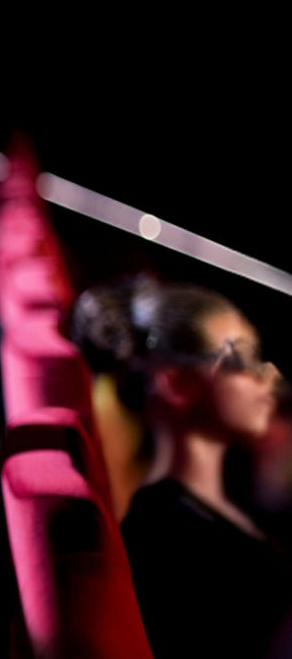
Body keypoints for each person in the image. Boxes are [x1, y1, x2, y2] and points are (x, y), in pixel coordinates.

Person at [70, 276, 292, 659]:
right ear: (175, 382)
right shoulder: (172, 544)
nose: (268, 374)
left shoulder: (209, 508)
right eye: (242, 357)